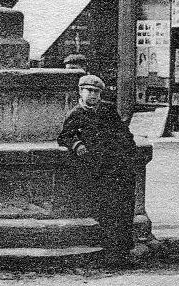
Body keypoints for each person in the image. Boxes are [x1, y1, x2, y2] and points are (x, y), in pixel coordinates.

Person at [58, 74, 137, 266]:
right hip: (98, 170)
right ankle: (112, 254)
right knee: (108, 211)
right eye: (89, 91)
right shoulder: (76, 113)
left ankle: (125, 251)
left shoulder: (108, 110)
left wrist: (131, 155)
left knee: (125, 209)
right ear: (80, 92)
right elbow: (64, 136)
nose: (93, 95)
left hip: (118, 167)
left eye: (96, 92)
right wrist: (77, 144)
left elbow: (124, 133)